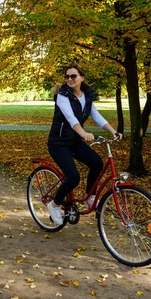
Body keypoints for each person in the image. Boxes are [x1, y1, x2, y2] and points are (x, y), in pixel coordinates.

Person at [47, 64, 122, 225]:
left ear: (82, 77)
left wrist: (113, 131)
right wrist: (83, 133)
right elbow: (71, 118)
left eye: (73, 76)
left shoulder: (86, 96)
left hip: (74, 141)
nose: (69, 79)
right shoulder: (62, 95)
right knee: (73, 177)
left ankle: (91, 196)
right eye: (67, 77)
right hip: (58, 143)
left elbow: (96, 116)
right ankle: (54, 204)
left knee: (97, 163)